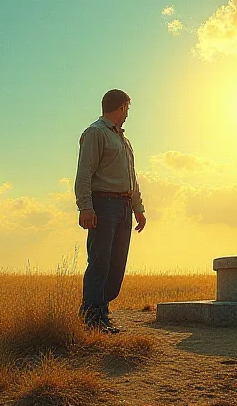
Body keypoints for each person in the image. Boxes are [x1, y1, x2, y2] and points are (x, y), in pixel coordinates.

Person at [75, 89, 147, 333]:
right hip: (103, 204)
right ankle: (91, 318)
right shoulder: (95, 133)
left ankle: (102, 313)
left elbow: (132, 178)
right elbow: (84, 173)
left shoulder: (124, 141)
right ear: (122, 107)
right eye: (127, 109)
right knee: (100, 262)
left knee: (116, 264)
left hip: (124, 206)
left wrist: (138, 208)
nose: (128, 115)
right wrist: (85, 206)